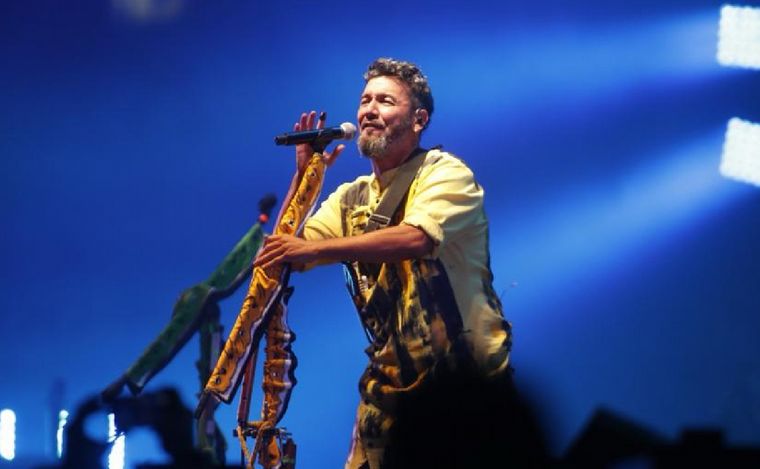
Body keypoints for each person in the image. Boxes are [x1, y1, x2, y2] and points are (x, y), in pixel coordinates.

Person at [255, 58, 530, 469]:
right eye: (365, 100)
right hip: (390, 393)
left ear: (419, 120)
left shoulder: (445, 173)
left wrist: (316, 250)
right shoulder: (352, 196)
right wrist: (304, 181)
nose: (369, 110)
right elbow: (284, 256)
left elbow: (416, 238)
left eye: (385, 101)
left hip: (465, 390)